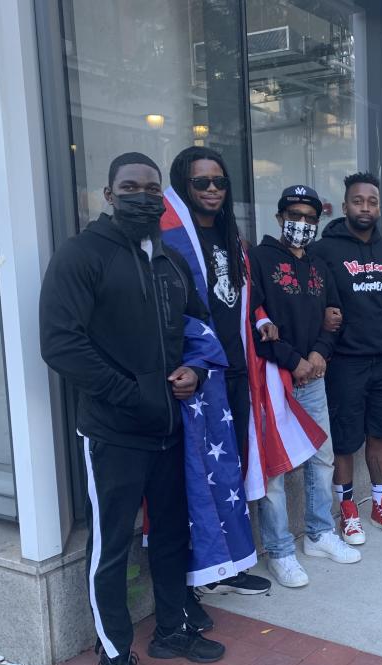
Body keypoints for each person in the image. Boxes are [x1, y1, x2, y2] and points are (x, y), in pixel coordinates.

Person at [39, 153, 225, 665]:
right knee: (112, 546)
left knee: (171, 534)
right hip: (114, 433)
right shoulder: (80, 256)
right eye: (130, 187)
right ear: (108, 193)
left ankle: (172, 628)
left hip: (170, 429)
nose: (142, 196)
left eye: (151, 187)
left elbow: (200, 332)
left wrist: (195, 371)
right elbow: (61, 345)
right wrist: (134, 395)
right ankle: (115, 654)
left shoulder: (169, 261)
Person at [166, 146, 271, 623]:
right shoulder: (170, 240)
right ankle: (195, 576)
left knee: (229, 475)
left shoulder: (235, 241)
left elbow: (247, 301)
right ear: (183, 188)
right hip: (196, 378)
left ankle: (228, 564)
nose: (212, 190)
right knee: (197, 481)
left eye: (219, 182)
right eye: (201, 183)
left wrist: (263, 317)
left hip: (235, 374)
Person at [249, 184, 361, 587]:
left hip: (313, 376)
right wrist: (292, 359)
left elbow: (334, 315)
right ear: (280, 219)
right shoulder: (258, 260)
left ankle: (319, 533)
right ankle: (279, 551)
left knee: (321, 458)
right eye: (294, 216)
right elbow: (254, 320)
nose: (302, 224)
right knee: (275, 470)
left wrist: (318, 355)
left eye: (310, 218)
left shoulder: (318, 264)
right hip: (273, 380)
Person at [310, 172, 382, 544]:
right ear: (345, 204)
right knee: (345, 441)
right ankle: (348, 510)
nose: (365, 207)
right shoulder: (324, 250)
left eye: (371, 201)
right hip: (344, 362)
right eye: (357, 201)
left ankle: (380, 505)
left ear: (379, 207)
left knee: (380, 433)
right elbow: (310, 299)